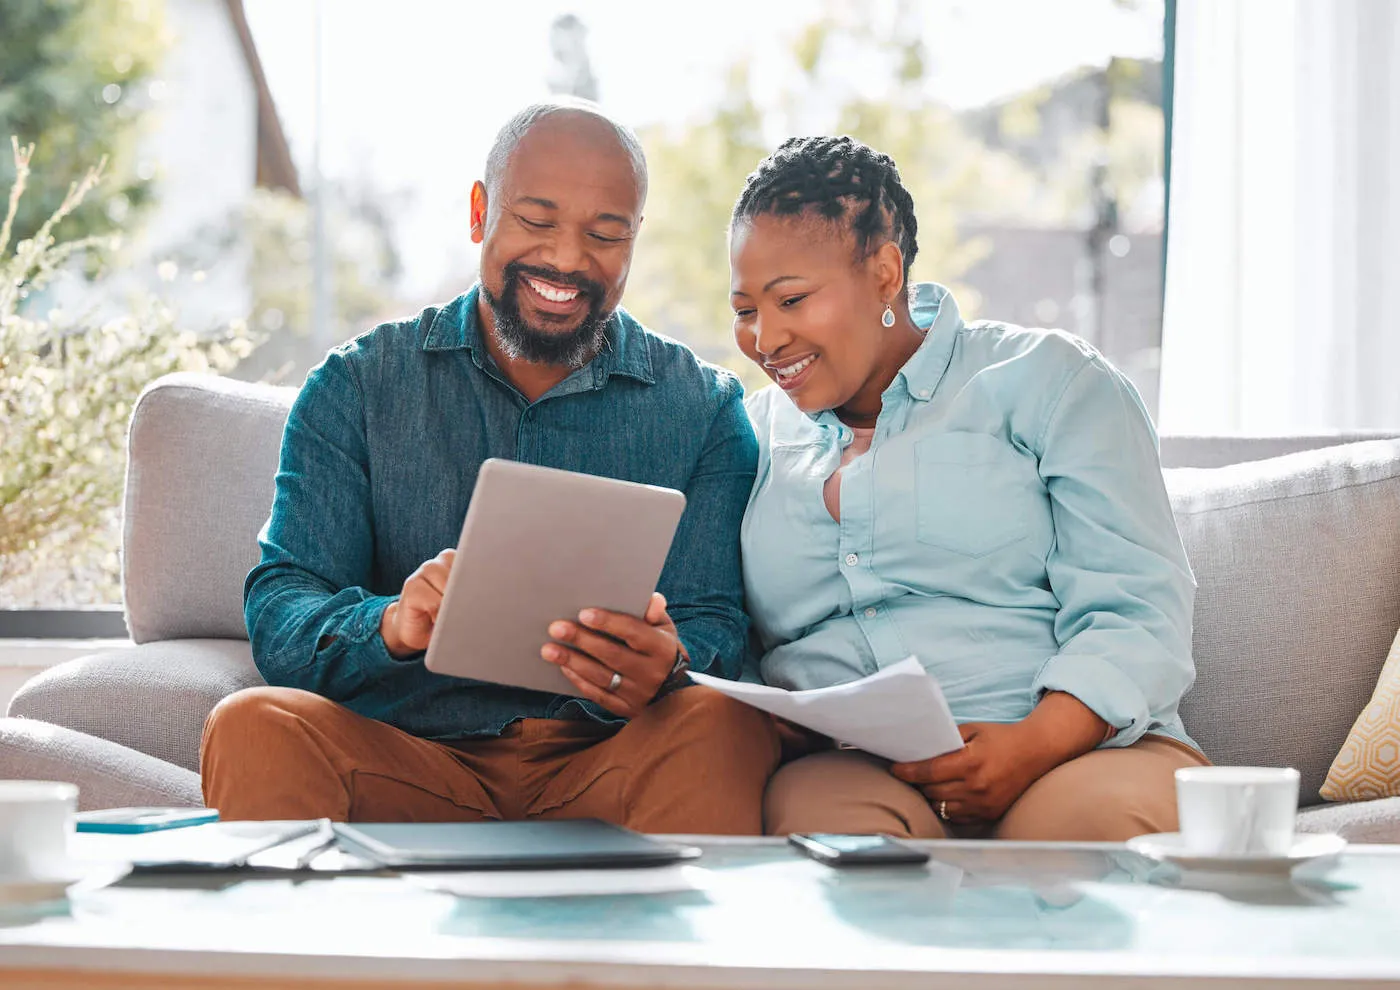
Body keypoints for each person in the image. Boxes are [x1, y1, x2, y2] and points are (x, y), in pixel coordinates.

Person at [200, 102, 779, 833]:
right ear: (480, 212)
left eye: (605, 234)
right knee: (254, 724)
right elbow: (283, 607)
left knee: (723, 722)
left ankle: (642, 951)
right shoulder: (357, 385)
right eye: (537, 221)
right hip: (405, 755)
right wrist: (390, 625)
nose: (568, 261)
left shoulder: (703, 408)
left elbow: (717, 623)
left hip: (607, 760)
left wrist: (668, 663)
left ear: (634, 241)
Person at [728, 135, 1209, 842]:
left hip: (1082, 751)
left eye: (791, 299)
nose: (765, 338)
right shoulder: (750, 434)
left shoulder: (1050, 380)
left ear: (885, 273)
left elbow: (1138, 608)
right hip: (856, 768)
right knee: (842, 864)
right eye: (744, 311)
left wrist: (1033, 745)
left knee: (1062, 847)